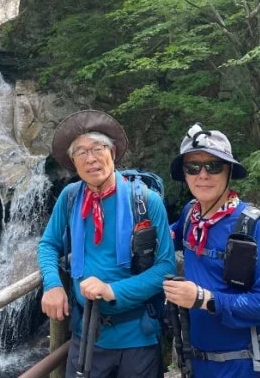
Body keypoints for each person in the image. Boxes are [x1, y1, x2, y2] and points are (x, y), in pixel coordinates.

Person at [37, 110, 176, 378]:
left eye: (97, 148)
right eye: (81, 152)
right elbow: (48, 244)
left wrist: (112, 290)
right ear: (73, 162)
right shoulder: (70, 198)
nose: (90, 158)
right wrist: (52, 284)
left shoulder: (147, 201)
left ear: (112, 152)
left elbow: (165, 268)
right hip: (86, 333)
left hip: (138, 336)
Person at [164, 124, 260, 377]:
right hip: (196, 363)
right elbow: (167, 238)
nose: (203, 175)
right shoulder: (190, 215)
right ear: (184, 174)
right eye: (193, 167)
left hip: (244, 365)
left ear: (229, 171)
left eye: (214, 166)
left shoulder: (254, 226)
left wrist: (203, 299)